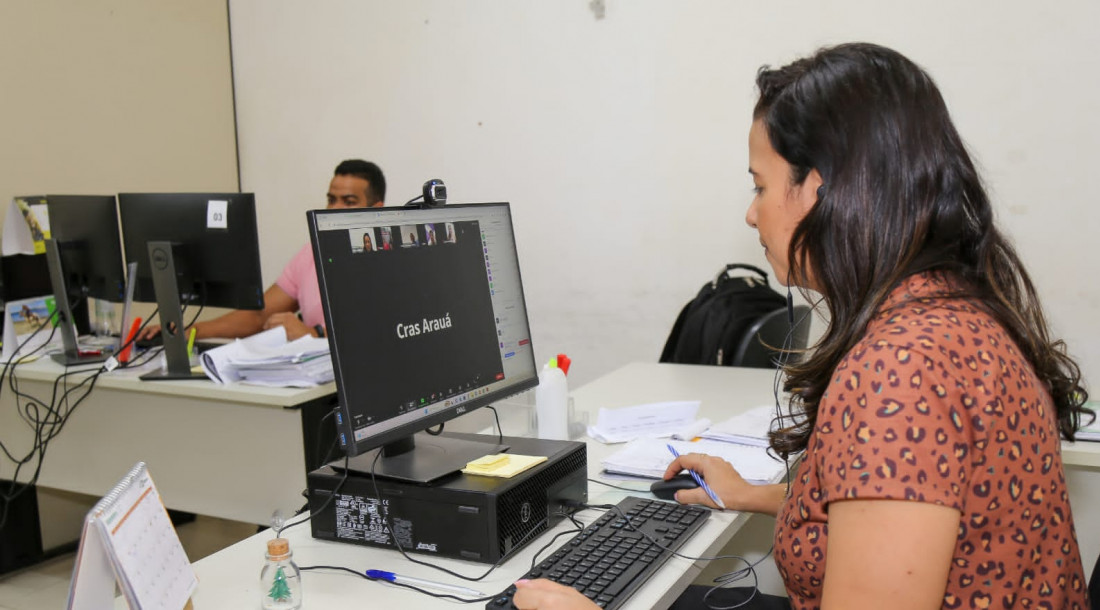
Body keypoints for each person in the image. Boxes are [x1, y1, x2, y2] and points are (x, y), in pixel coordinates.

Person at [513, 43, 1092, 610]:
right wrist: (760, 496)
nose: (750, 211)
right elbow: (899, 502)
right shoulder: (951, 310)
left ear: (821, 191)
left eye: (760, 185)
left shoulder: (902, 372)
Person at [139, 159, 385, 341]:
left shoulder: (388, 259)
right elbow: (257, 317)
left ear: (377, 208)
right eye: (331, 200)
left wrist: (311, 335)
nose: (333, 209)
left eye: (349, 202)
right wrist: (187, 332)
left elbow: (381, 333)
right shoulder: (311, 254)